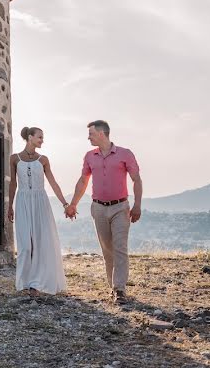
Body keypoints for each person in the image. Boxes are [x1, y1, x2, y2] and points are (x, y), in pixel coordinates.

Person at [65, 120, 142, 303]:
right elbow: (83, 181)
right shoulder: (90, 156)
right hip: (98, 207)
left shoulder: (125, 154)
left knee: (120, 247)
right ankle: (112, 286)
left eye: (90, 133)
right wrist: (73, 204)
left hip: (120, 207)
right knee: (107, 250)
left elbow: (136, 179)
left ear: (101, 133)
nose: (88, 137)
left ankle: (119, 289)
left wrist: (137, 205)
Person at [7, 126, 69, 295]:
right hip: (23, 201)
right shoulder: (14, 159)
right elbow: (13, 184)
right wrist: (10, 205)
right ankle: (24, 282)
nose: (42, 140)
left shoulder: (43, 160)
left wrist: (65, 204)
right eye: (40, 137)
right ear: (30, 137)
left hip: (40, 201)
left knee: (40, 243)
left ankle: (36, 283)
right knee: (26, 245)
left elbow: (53, 182)